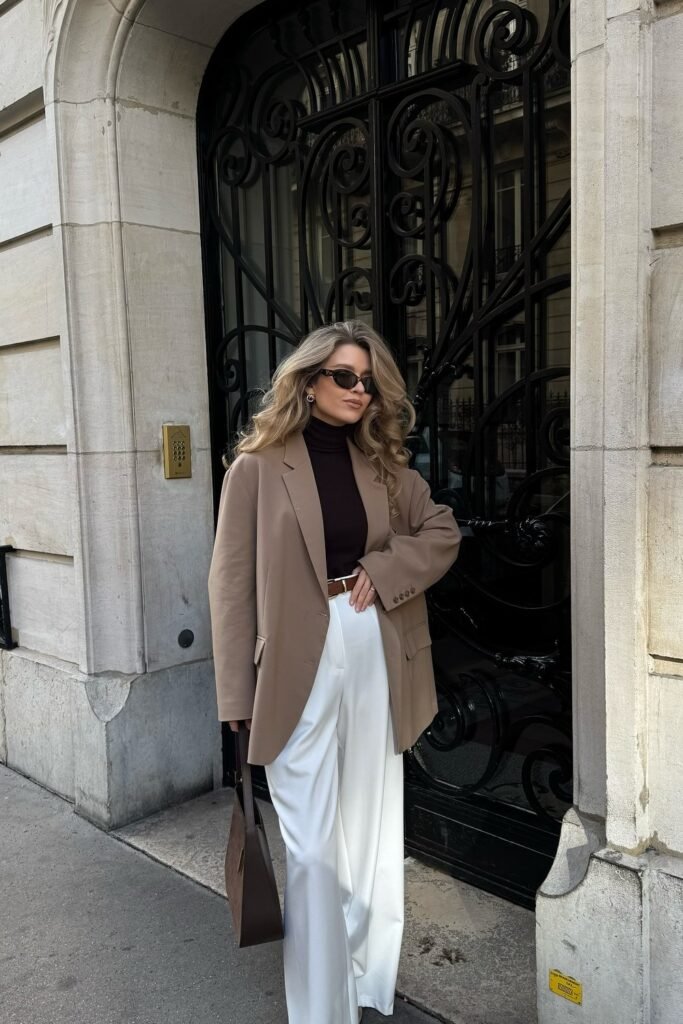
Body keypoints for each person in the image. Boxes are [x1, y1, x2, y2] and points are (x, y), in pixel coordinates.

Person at [207, 320, 461, 1024]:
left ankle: (366, 980)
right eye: (344, 377)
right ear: (309, 381)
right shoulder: (257, 467)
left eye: (368, 380)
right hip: (293, 659)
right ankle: (321, 1008)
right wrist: (235, 693)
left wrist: (383, 569)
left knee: (371, 828)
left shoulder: (383, 469)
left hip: (371, 644)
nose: (358, 390)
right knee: (315, 849)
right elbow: (229, 587)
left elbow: (440, 531)